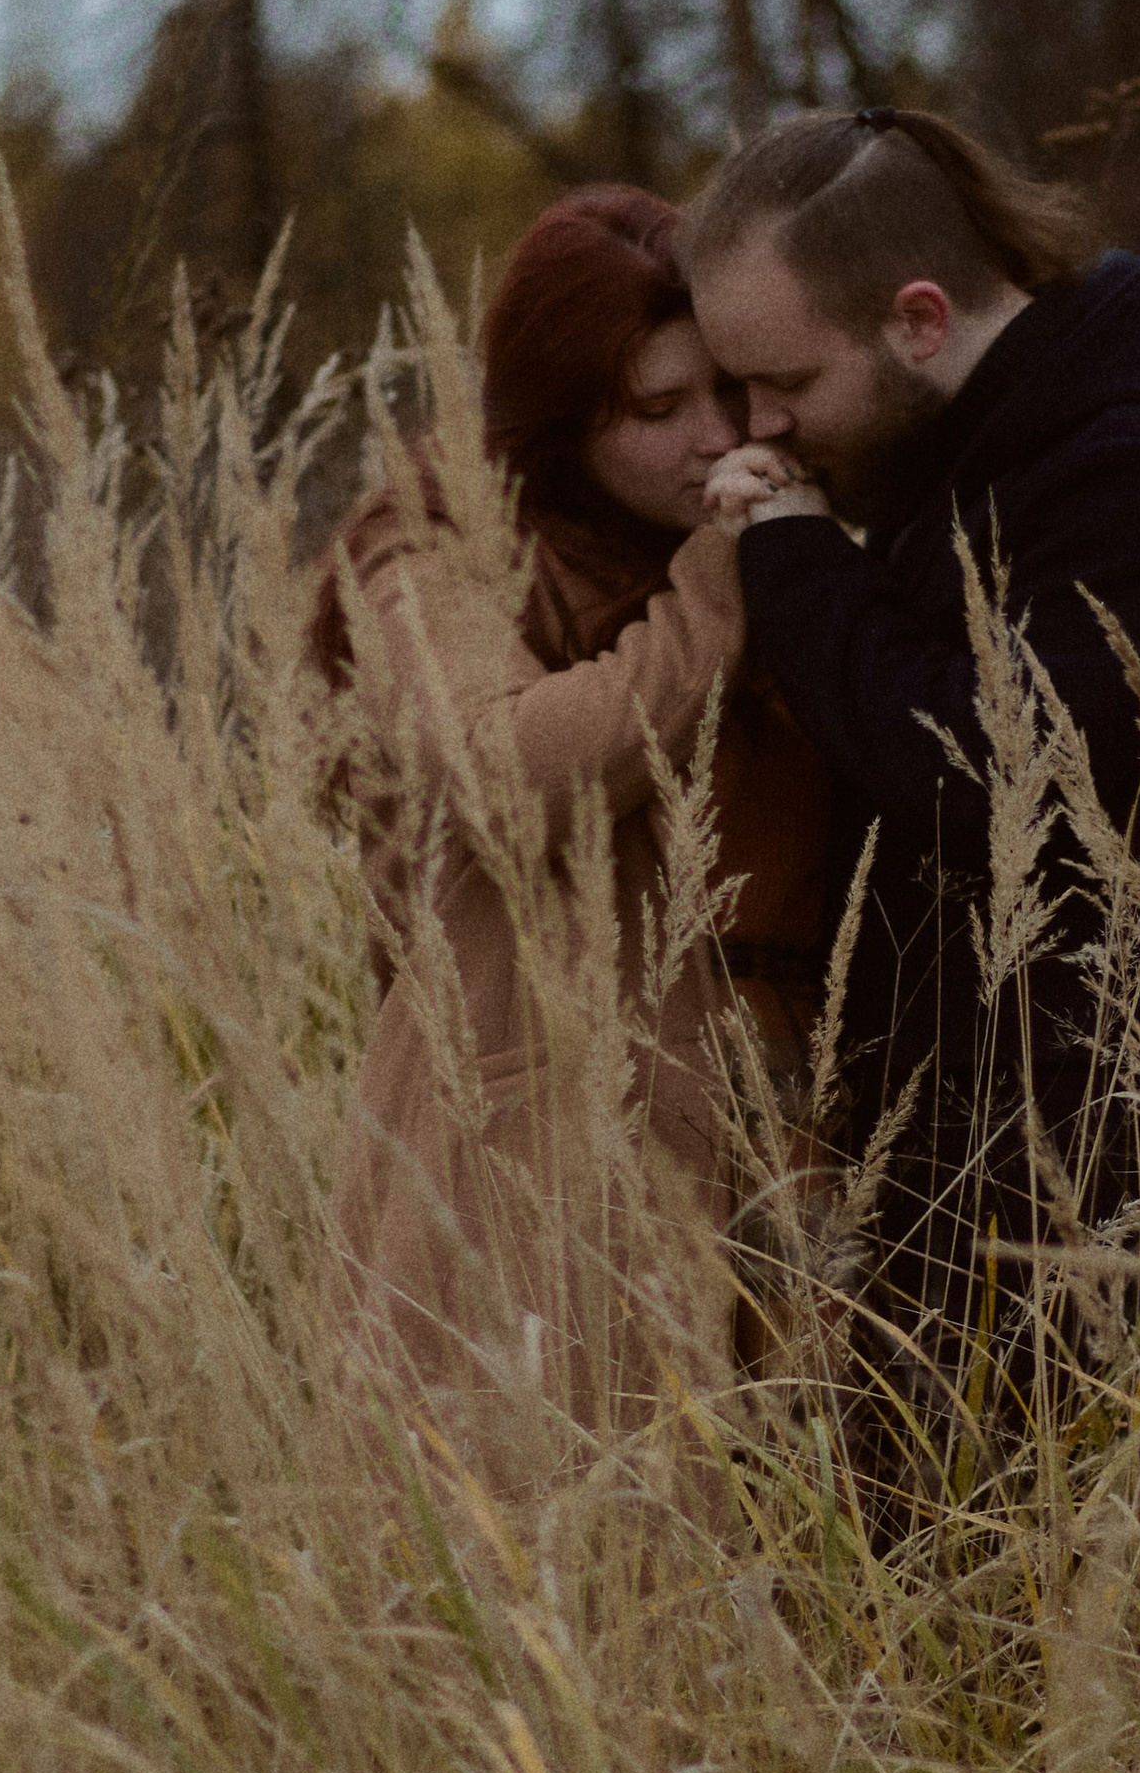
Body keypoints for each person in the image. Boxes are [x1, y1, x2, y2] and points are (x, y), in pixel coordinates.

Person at [684, 105, 1140, 1497]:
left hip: (1126, 1153)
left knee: (1099, 1607)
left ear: (917, 318)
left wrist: (792, 555)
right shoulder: (987, 430)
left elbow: (987, 773)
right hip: (981, 1126)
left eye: (781, 382)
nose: (758, 426)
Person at [312, 184, 829, 1461]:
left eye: (729, 393)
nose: (715, 441)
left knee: (793, 1589)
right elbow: (498, 765)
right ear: (557, 419)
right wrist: (723, 592)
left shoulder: (818, 520)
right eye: (657, 411)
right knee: (571, 1568)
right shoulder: (444, 543)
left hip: (788, 1129)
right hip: (535, 1139)